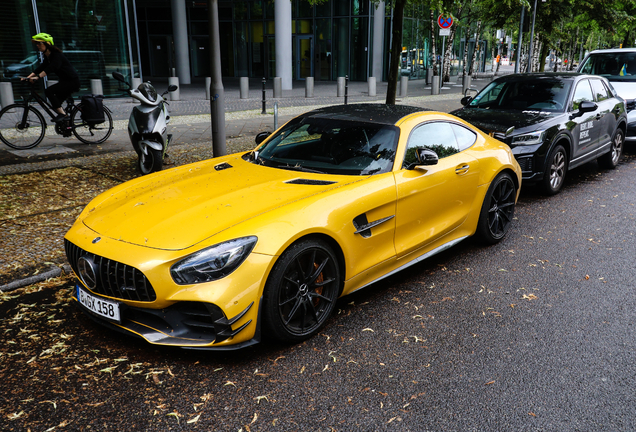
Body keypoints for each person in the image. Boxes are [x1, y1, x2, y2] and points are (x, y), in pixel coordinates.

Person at [23, 33, 80, 122]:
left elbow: (52, 67)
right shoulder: (48, 56)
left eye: (39, 43)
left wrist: (38, 77)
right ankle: (66, 124)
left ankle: (63, 115)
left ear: (47, 44)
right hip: (64, 81)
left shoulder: (57, 55)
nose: (37, 45)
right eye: (37, 44)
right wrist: (27, 77)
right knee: (56, 104)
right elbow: (41, 68)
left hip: (72, 82)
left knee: (49, 91)